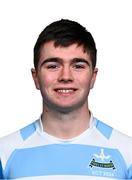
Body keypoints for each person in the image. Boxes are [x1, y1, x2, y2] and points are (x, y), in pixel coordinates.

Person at [0, 19, 132, 180]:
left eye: (78, 66)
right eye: (53, 66)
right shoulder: (4, 154)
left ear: (93, 77)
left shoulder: (128, 153)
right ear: (35, 78)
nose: (66, 77)